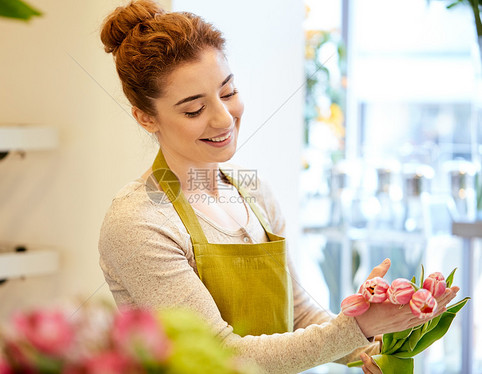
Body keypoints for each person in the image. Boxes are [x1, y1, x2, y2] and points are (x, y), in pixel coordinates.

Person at [97, 1, 459, 373]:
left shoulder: (252, 191)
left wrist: (380, 341)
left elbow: (298, 311)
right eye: (194, 110)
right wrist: (356, 328)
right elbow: (222, 357)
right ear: (145, 117)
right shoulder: (139, 223)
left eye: (228, 91)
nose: (224, 118)